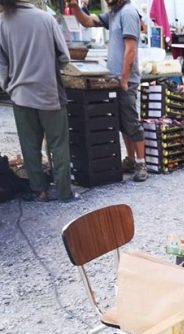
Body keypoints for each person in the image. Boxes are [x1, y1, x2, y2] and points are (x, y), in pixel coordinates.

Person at [0, 0, 74, 202]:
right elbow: (64, 57)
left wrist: (8, 85)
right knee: (58, 144)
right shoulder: (45, 19)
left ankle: (39, 190)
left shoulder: (3, 22)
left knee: (29, 145)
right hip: (49, 91)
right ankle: (64, 192)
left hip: (20, 94)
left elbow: (2, 63)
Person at [69, 0, 148, 182]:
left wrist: (125, 79)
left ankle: (141, 163)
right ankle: (129, 159)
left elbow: (131, 48)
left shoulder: (128, 12)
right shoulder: (113, 13)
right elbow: (88, 21)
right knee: (121, 122)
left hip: (125, 79)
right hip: (115, 79)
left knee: (130, 120)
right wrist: (74, 8)